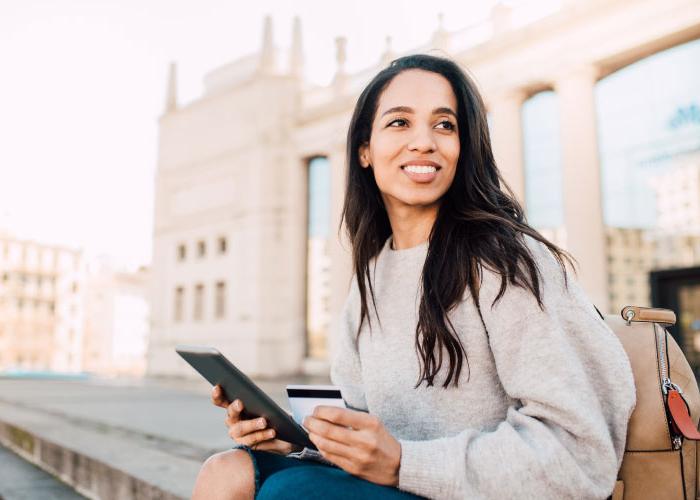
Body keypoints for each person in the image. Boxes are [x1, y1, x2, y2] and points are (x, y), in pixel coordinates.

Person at [191, 54, 636, 500]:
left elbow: (579, 453)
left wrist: (404, 462)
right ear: (364, 149)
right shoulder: (370, 279)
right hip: (406, 487)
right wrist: (296, 441)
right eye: (400, 123)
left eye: (445, 125)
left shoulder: (506, 262)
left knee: (291, 493)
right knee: (227, 471)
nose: (424, 142)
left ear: (465, 148)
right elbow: (368, 441)